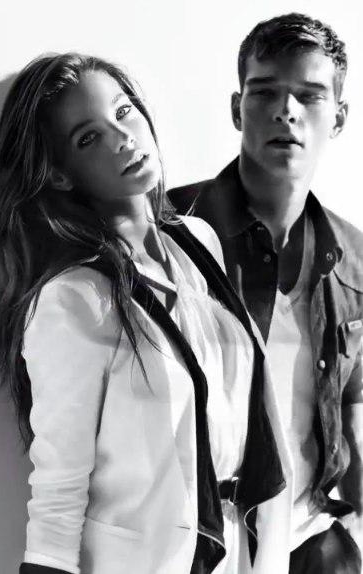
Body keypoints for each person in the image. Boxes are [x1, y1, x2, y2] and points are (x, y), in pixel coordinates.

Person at [0, 52, 292, 574]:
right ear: (59, 175)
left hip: (236, 546)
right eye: (89, 137)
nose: (122, 138)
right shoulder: (73, 298)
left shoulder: (197, 243)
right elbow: (59, 489)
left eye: (124, 111)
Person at [169, 13, 363, 574]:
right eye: (265, 92)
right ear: (238, 109)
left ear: (339, 116)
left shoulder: (355, 258)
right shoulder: (172, 231)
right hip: (201, 542)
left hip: (312, 543)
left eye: (310, 95)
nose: (286, 110)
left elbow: (353, 409)